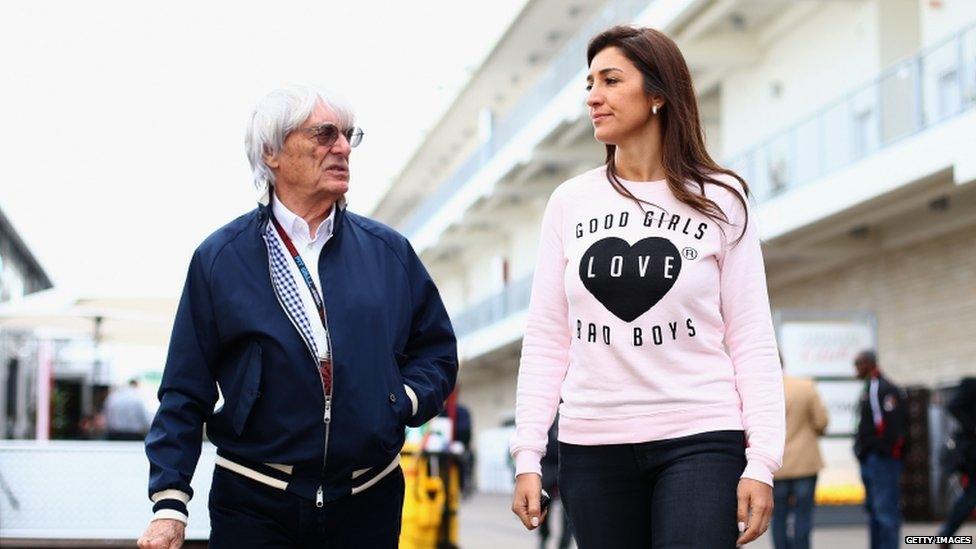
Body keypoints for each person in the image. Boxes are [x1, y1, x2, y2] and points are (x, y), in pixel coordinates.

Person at [138, 86, 458, 549]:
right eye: (325, 134)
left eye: (349, 135)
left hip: (368, 499)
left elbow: (436, 350)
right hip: (254, 500)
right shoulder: (219, 258)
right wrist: (170, 502)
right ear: (271, 152)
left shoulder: (389, 252)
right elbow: (185, 388)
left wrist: (401, 399)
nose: (343, 147)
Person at [509, 25, 785, 548]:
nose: (594, 96)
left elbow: (751, 336)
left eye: (611, 80)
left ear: (658, 94)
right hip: (592, 442)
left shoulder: (721, 200)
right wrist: (528, 454)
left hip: (700, 435)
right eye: (590, 83)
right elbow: (547, 337)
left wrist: (763, 461)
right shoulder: (570, 203)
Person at [853, 350, 907, 549]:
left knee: (886, 511)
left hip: (882, 460)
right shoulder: (869, 388)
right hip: (871, 459)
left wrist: (876, 449)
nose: (855, 369)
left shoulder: (882, 388)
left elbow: (892, 427)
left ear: (868, 363)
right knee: (875, 512)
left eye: (858, 364)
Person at [773, 371, 829, 549]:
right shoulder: (805, 387)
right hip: (805, 463)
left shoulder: (762, 391)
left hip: (776, 464)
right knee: (803, 515)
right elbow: (821, 422)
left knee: (779, 517)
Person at [937, 377, 976, 541]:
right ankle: (946, 533)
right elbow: (953, 406)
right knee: (972, 494)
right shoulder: (971, 385)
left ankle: (946, 533)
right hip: (972, 450)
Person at [538, 420, 573, 549]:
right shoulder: (549, 417)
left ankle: (564, 544)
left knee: (569, 514)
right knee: (542, 505)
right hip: (548, 468)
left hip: (569, 466)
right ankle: (543, 536)